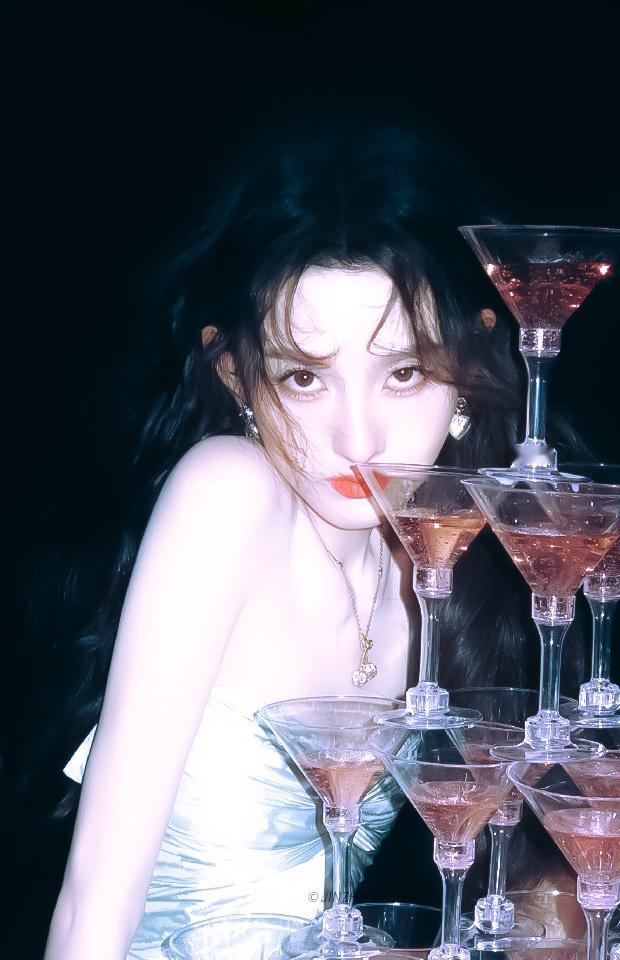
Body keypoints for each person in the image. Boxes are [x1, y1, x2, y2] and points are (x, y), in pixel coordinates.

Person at [37, 124, 582, 959]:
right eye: (303, 377)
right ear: (236, 378)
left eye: (404, 372)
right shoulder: (228, 492)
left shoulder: (447, 565)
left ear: (470, 371)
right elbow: (91, 909)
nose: (358, 439)